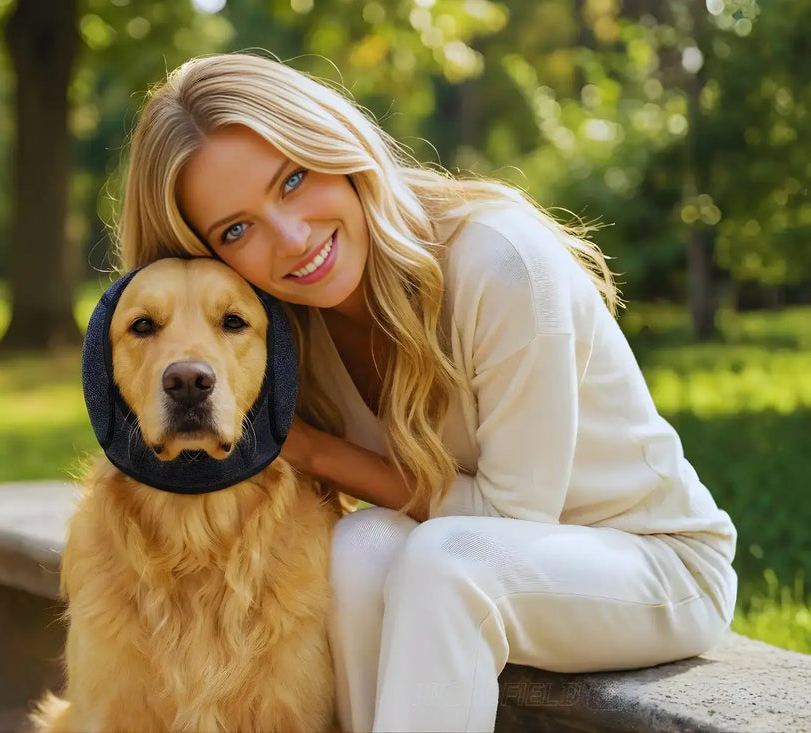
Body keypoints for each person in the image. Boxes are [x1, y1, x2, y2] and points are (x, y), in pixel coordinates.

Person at [113, 52, 738, 732]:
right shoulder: (286, 332)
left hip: (656, 566)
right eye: (237, 229)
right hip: (468, 572)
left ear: (337, 146)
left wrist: (319, 452)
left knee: (444, 563)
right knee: (360, 547)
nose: (291, 239)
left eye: (293, 179)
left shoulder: (502, 265)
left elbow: (505, 532)